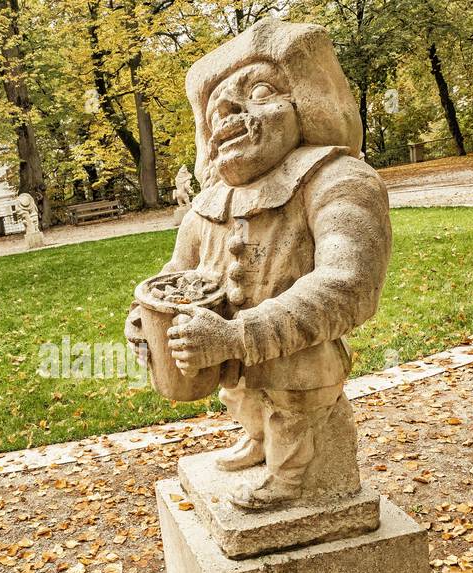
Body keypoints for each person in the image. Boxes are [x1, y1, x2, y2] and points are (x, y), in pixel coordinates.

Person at [125, 19, 390, 510]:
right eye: (216, 108)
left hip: (298, 352)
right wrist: (145, 320)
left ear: (304, 103)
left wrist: (238, 335)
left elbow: (348, 282)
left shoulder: (336, 179)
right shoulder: (207, 206)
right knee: (242, 396)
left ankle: (297, 480)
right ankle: (257, 440)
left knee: (292, 401)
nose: (226, 112)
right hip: (228, 360)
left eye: (260, 90)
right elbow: (176, 276)